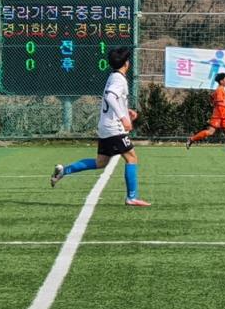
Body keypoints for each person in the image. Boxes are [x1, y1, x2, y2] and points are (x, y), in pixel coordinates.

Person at [50, 47, 151, 206]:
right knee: (131, 157)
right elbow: (110, 97)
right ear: (126, 63)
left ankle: (64, 171)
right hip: (114, 128)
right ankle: (132, 197)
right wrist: (123, 117)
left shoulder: (113, 76)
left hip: (105, 126)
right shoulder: (119, 79)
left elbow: (113, 99)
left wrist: (126, 110)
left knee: (101, 162)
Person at [186, 72, 225, 157]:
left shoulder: (221, 89)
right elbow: (219, 103)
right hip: (218, 115)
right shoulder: (219, 90)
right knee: (210, 132)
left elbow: (212, 97)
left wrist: (213, 102)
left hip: (224, 115)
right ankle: (191, 139)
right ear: (221, 81)